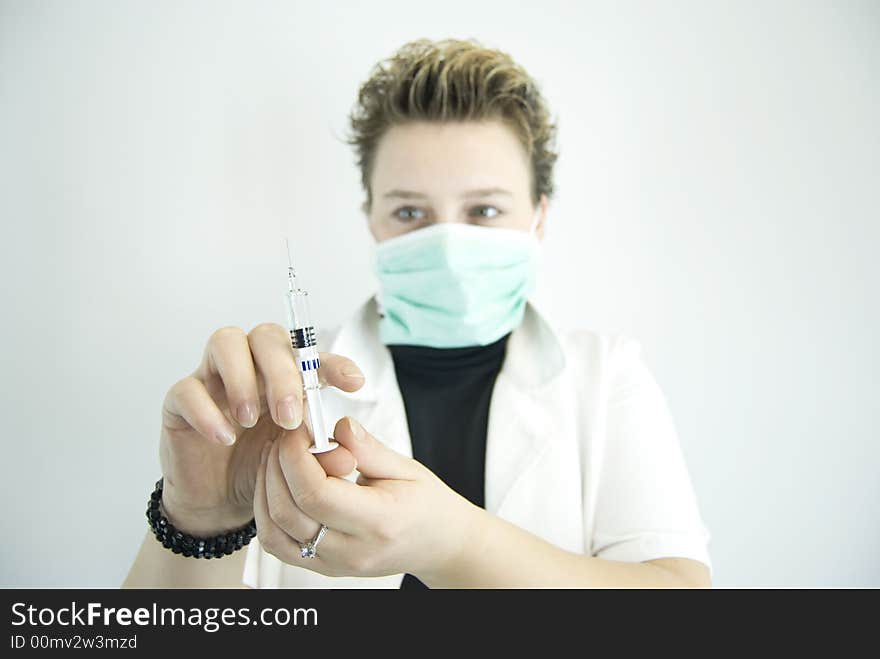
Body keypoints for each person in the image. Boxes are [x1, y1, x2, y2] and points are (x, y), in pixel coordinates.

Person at [123, 38, 712, 589]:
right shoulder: (280, 400)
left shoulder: (604, 376)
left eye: (483, 210)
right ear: (372, 218)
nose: (448, 246)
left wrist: (451, 544)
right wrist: (197, 515)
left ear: (539, 216)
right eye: (410, 214)